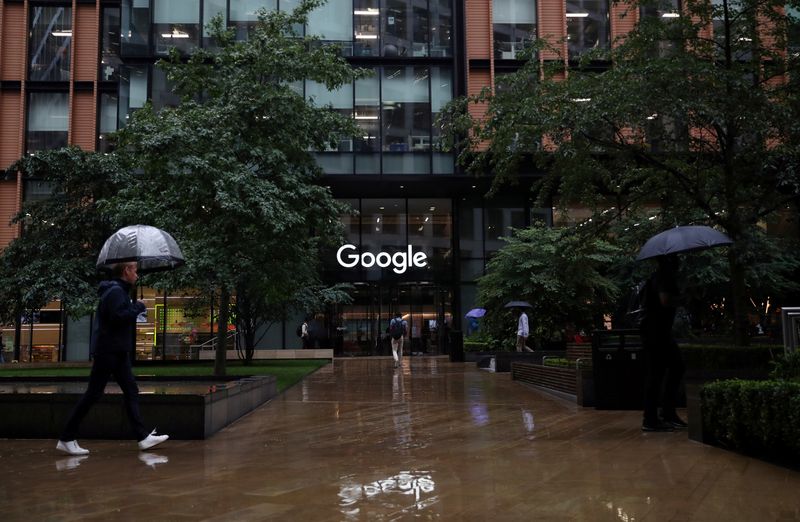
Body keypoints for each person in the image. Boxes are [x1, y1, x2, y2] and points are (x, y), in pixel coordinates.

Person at [56, 262, 169, 456]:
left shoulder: (118, 291)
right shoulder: (115, 292)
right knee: (94, 394)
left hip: (116, 351)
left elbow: (118, 315)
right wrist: (138, 307)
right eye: (134, 270)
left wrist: (132, 307)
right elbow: (118, 317)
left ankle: (142, 437)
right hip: (109, 351)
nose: (137, 275)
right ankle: (66, 438)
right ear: (126, 271)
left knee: (130, 390)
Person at [640, 254, 687, 432]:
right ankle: (653, 418)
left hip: (657, 333)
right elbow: (665, 301)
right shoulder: (663, 277)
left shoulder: (657, 276)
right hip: (657, 333)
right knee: (662, 372)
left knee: (667, 370)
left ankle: (663, 414)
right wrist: (684, 299)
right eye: (675, 258)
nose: (678, 260)